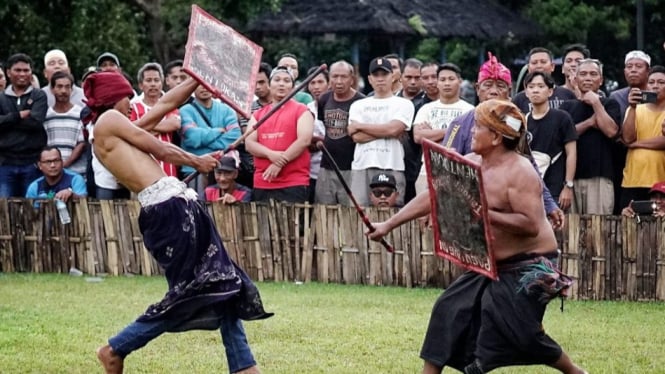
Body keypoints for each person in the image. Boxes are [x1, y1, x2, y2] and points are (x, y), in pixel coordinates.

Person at [368, 99, 586, 374]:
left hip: (530, 263)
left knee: (516, 331)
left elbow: (530, 225)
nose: (470, 132)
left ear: (495, 137)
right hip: (490, 263)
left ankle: (574, 372)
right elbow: (434, 194)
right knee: (448, 309)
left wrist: (485, 215)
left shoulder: (520, 172)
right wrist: (389, 224)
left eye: (477, 128)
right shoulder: (470, 163)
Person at [84, 71, 272, 374]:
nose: (131, 104)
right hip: (169, 210)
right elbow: (160, 148)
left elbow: (167, 103)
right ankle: (116, 347)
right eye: (127, 97)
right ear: (111, 98)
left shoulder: (116, 126)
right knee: (193, 292)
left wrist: (199, 79)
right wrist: (197, 161)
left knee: (222, 283)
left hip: (175, 206)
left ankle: (244, 367)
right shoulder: (108, 120)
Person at [348, 57, 415, 207]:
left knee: (394, 210)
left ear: (393, 77)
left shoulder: (404, 104)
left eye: (384, 74)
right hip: (362, 165)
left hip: (393, 163)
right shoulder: (358, 105)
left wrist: (361, 125)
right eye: (376, 75)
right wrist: (388, 130)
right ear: (370, 79)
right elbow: (356, 136)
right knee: (359, 210)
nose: (380, 79)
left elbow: (394, 129)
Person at [245, 66, 314, 203]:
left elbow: (304, 140)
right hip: (263, 181)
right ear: (269, 86)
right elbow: (249, 143)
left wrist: (279, 162)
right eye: (277, 80)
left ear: (293, 87)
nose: (281, 84)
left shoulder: (302, 110)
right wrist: (270, 154)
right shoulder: (258, 114)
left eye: (287, 80)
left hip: (294, 182)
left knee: (293, 224)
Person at [523, 71, 577, 210]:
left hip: (554, 189)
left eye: (541, 86)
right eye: (531, 86)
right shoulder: (523, 121)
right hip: (528, 188)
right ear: (526, 91)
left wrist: (568, 186)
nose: (535, 90)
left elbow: (571, 153)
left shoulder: (562, 118)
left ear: (550, 91)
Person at [314, 60, 365, 205]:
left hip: (352, 168)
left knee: (349, 211)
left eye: (343, 77)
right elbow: (324, 126)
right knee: (323, 210)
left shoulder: (361, 102)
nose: (339, 81)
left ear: (352, 79)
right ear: (329, 78)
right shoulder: (324, 99)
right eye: (335, 77)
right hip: (326, 165)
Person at [0, 53, 48, 197]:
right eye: (18, 70)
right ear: (8, 72)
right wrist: (18, 116)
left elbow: (35, 123)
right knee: (4, 210)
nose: (22, 74)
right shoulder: (1, 98)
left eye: (26, 70)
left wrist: (6, 121)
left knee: (33, 209)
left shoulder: (39, 95)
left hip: (31, 163)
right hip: (5, 163)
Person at [620, 65, 665, 208]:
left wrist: (636, 144)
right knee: (630, 222)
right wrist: (632, 107)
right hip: (633, 179)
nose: (655, 86)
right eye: (651, 82)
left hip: (660, 180)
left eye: (661, 82)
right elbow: (627, 138)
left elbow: (663, 141)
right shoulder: (635, 109)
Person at [130, 62, 181, 177]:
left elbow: (174, 124)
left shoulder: (170, 104)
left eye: (156, 80)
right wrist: (162, 126)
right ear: (141, 85)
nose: (153, 84)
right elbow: (129, 132)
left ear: (162, 83)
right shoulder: (133, 107)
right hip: (141, 167)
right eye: (148, 80)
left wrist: (141, 128)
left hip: (167, 166)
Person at [43, 71, 87, 178]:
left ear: (72, 89)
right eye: (59, 86)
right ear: (52, 89)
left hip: (75, 172)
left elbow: (81, 143)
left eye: (67, 87)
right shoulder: (46, 115)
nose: (64, 91)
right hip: (50, 172)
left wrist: (65, 164)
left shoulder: (80, 113)